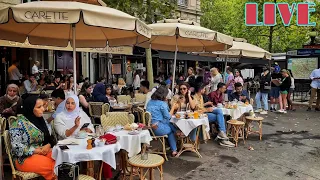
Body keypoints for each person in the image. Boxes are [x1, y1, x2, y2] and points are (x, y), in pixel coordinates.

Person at [9, 96, 55, 180]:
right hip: (24, 158)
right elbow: (17, 147)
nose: (43, 109)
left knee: (60, 159)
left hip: (42, 151)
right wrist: (36, 151)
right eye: (39, 107)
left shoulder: (40, 120)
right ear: (30, 108)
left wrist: (48, 145)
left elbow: (49, 138)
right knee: (53, 166)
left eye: (43, 106)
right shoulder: (18, 124)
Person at [146, 86, 178, 157]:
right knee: (171, 131)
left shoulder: (150, 102)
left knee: (169, 123)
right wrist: (173, 107)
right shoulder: (162, 104)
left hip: (150, 128)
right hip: (158, 128)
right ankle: (174, 150)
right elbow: (168, 116)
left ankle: (177, 133)